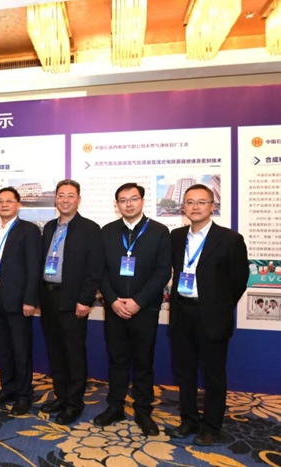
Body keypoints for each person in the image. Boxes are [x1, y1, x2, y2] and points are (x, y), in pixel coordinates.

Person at [166, 184, 249, 446]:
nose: (195, 207)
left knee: (213, 374)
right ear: (183, 207)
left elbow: (239, 280)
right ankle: (189, 419)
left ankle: (212, 426)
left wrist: (218, 306)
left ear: (212, 206)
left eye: (201, 202)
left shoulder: (230, 239)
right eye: (190, 202)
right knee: (185, 372)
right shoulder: (177, 236)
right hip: (182, 313)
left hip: (212, 316)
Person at [95, 183, 171, 435]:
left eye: (133, 199)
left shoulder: (159, 231)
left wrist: (138, 301)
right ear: (116, 204)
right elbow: (100, 270)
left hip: (144, 309)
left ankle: (143, 411)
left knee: (143, 361)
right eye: (123, 200)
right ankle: (115, 406)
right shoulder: (107, 231)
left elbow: (163, 271)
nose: (128, 204)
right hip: (115, 308)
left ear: (142, 201)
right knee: (117, 360)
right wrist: (112, 300)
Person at [39, 179, 104, 425]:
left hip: (74, 299)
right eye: (61, 195)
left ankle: (74, 403)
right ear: (55, 199)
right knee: (55, 351)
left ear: (78, 199)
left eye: (70, 195)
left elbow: (95, 268)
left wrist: (85, 300)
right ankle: (61, 396)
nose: (65, 200)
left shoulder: (89, 228)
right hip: (49, 297)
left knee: (73, 353)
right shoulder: (49, 227)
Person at [0, 187, 41, 415]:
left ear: (18, 205)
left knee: (21, 350)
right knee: (4, 349)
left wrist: (30, 300)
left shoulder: (29, 230)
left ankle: (24, 395)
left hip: (19, 302)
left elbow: (34, 267)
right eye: (0, 201)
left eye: (9, 201)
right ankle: (8, 388)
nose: (4, 205)